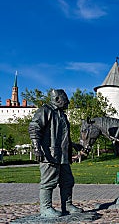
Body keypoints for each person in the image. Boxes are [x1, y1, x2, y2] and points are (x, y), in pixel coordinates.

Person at [29, 89, 83, 217]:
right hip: (50, 155)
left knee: (68, 181)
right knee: (48, 182)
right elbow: (34, 128)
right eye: (65, 98)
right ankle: (45, 208)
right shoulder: (45, 111)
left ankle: (67, 205)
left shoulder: (62, 115)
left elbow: (63, 136)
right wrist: (37, 148)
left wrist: (73, 145)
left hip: (63, 156)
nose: (68, 101)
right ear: (57, 99)